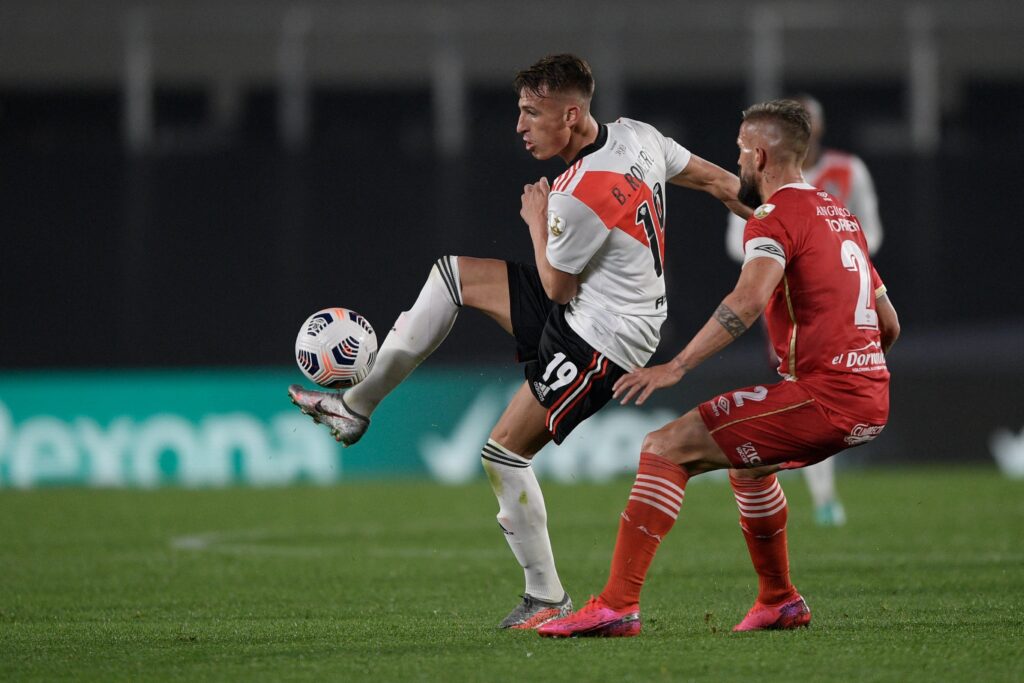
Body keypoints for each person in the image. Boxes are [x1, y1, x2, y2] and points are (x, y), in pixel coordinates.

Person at [288, 54, 751, 629]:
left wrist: (537, 214)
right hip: (599, 305)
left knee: (503, 453)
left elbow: (557, 287)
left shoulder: (577, 191)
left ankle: (547, 596)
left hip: (605, 336)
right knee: (451, 275)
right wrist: (782, 214)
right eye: (520, 111)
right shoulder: (638, 137)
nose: (520, 125)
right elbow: (718, 181)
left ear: (573, 114)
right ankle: (355, 406)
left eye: (532, 112)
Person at [538, 99, 900, 638]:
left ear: (758, 155)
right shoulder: (838, 214)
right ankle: (779, 600)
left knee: (665, 446)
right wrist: (855, 367)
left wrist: (676, 366)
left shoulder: (773, 219)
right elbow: (888, 324)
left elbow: (748, 301)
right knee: (750, 469)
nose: (735, 162)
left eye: (738, 152)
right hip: (870, 395)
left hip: (829, 397)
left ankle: (616, 605)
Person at [725, 94, 885, 527]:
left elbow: (871, 231)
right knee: (805, 391)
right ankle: (823, 497)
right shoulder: (761, 190)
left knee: (674, 445)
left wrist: (678, 365)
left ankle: (821, 500)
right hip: (790, 295)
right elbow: (737, 241)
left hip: (835, 294)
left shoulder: (846, 172)